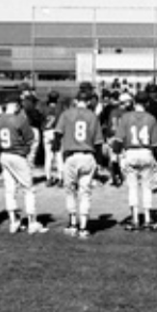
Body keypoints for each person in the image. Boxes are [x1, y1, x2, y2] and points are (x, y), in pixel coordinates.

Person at [53, 87, 105, 239]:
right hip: (88, 156)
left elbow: (57, 135)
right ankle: (83, 227)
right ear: (88, 102)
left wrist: (56, 152)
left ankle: (72, 223)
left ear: (76, 101)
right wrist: (99, 162)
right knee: (85, 192)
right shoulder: (92, 116)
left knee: (70, 191)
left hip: (71, 156)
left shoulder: (66, 114)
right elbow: (98, 142)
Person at [0, 91, 47, 235]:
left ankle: (13, 221)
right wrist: (26, 151)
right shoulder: (19, 119)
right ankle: (32, 222)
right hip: (18, 155)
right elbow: (30, 139)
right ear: (17, 105)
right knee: (28, 189)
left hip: (4, 155)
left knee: (10, 190)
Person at [114, 91, 157, 231]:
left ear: (134, 102)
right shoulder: (151, 118)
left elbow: (118, 141)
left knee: (132, 187)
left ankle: (135, 219)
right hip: (146, 152)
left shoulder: (126, 117)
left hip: (130, 152)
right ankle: (147, 218)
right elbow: (156, 144)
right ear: (147, 103)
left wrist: (117, 154)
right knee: (147, 187)